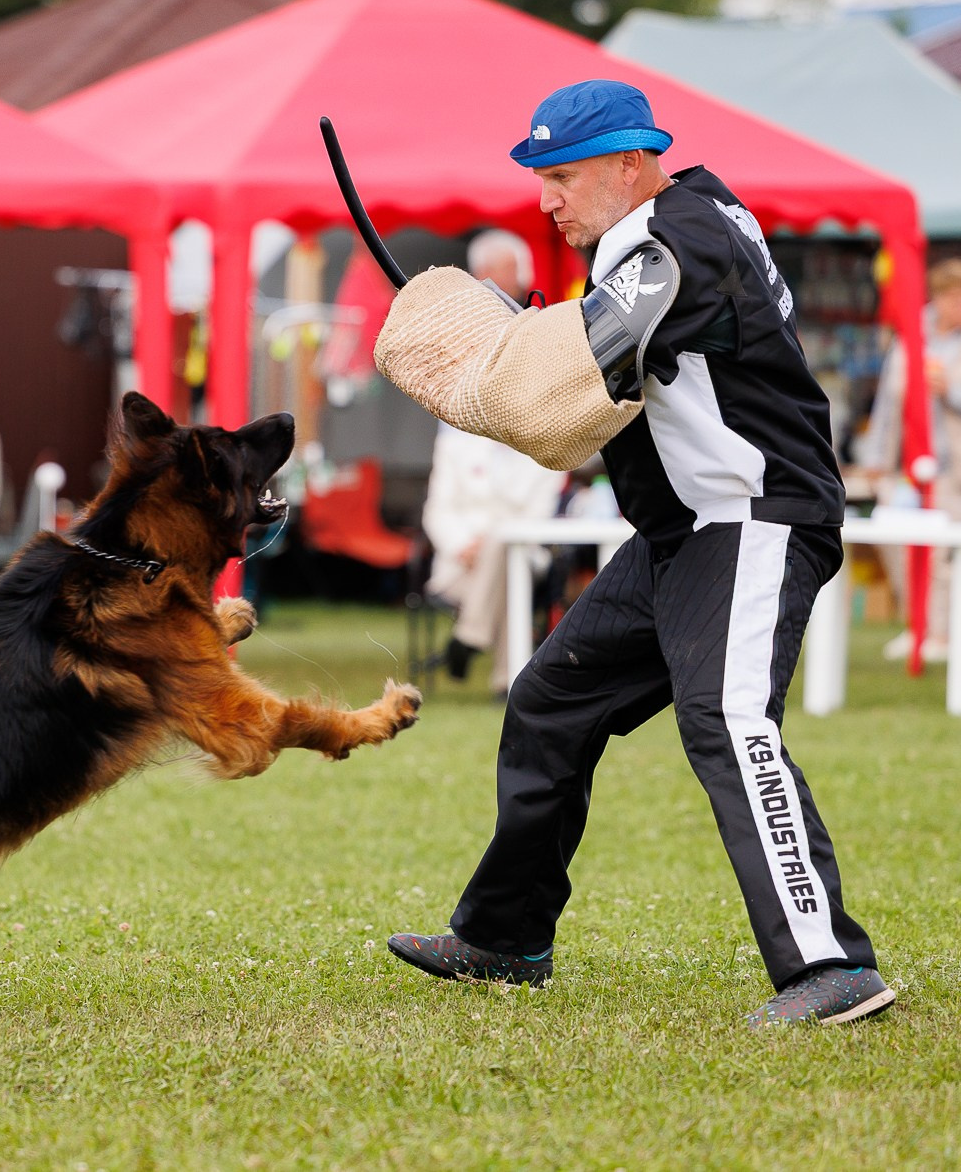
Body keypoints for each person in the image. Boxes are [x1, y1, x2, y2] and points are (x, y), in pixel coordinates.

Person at [373, 79, 891, 1028]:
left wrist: (486, 354)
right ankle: (506, 937)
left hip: (752, 517)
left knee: (729, 720)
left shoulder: (675, 240)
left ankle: (831, 964)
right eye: (539, 178)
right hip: (681, 531)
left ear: (629, 162)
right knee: (548, 702)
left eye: (562, 176)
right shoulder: (662, 231)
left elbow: (560, 395)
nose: (546, 199)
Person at [423, 230, 565, 691]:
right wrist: (464, 543)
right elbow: (437, 506)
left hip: (522, 548)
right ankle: (509, 681)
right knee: (504, 562)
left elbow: (545, 494)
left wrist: (492, 540)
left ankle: (468, 638)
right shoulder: (458, 424)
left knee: (509, 548)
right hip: (461, 561)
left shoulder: (540, 423)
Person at [858, 259, 961, 660]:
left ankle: (947, 635)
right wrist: (876, 454)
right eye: (952, 298)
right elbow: (887, 402)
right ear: (937, 297)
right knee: (902, 546)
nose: (959, 307)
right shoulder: (913, 336)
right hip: (909, 466)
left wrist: (952, 390)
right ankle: (919, 626)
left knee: (948, 555)